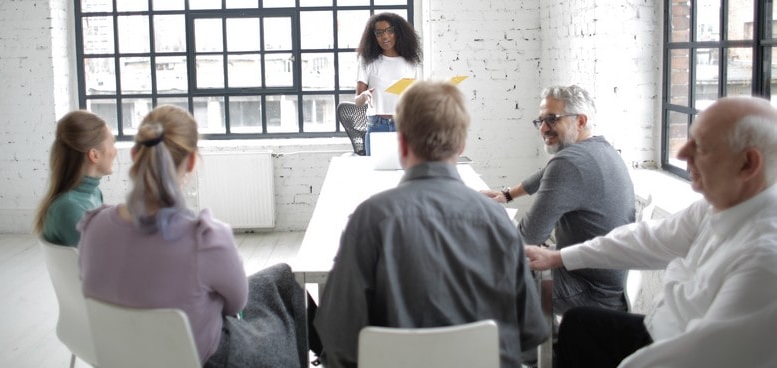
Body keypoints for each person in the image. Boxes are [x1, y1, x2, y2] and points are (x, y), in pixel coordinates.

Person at [525, 96, 777, 367]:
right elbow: (649, 238)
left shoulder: (764, 260)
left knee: (524, 291)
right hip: (662, 327)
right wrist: (559, 257)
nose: (681, 154)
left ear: (748, 164)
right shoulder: (716, 205)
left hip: (681, 346)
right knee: (578, 324)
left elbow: (700, 355)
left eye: (701, 146)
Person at [315, 80, 549, 368]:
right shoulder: (496, 220)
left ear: (401, 143)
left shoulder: (370, 219)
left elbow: (337, 337)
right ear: (462, 145)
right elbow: (529, 334)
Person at [78, 105, 309, 367]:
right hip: (208, 359)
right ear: (190, 162)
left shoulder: (93, 226)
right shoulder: (205, 237)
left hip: (121, 355)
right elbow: (236, 305)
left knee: (283, 276)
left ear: (134, 154)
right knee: (287, 294)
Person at [481, 85, 635, 315]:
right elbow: (545, 174)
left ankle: (485, 346)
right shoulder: (600, 148)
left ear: (581, 121)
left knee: (480, 277)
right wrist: (507, 194)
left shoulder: (568, 163)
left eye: (552, 119)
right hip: (606, 282)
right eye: (540, 120)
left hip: (588, 290)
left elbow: (526, 239)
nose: (543, 128)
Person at [34, 110, 117, 247]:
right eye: (112, 144)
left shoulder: (94, 194)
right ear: (94, 155)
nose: (115, 151)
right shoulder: (70, 207)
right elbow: (105, 257)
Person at [354, 12, 422, 155]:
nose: (385, 36)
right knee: (376, 173)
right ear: (374, 37)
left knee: (405, 172)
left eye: (390, 31)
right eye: (379, 33)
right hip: (377, 125)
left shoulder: (411, 62)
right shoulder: (367, 61)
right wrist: (364, 95)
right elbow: (358, 101)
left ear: (399, 33)